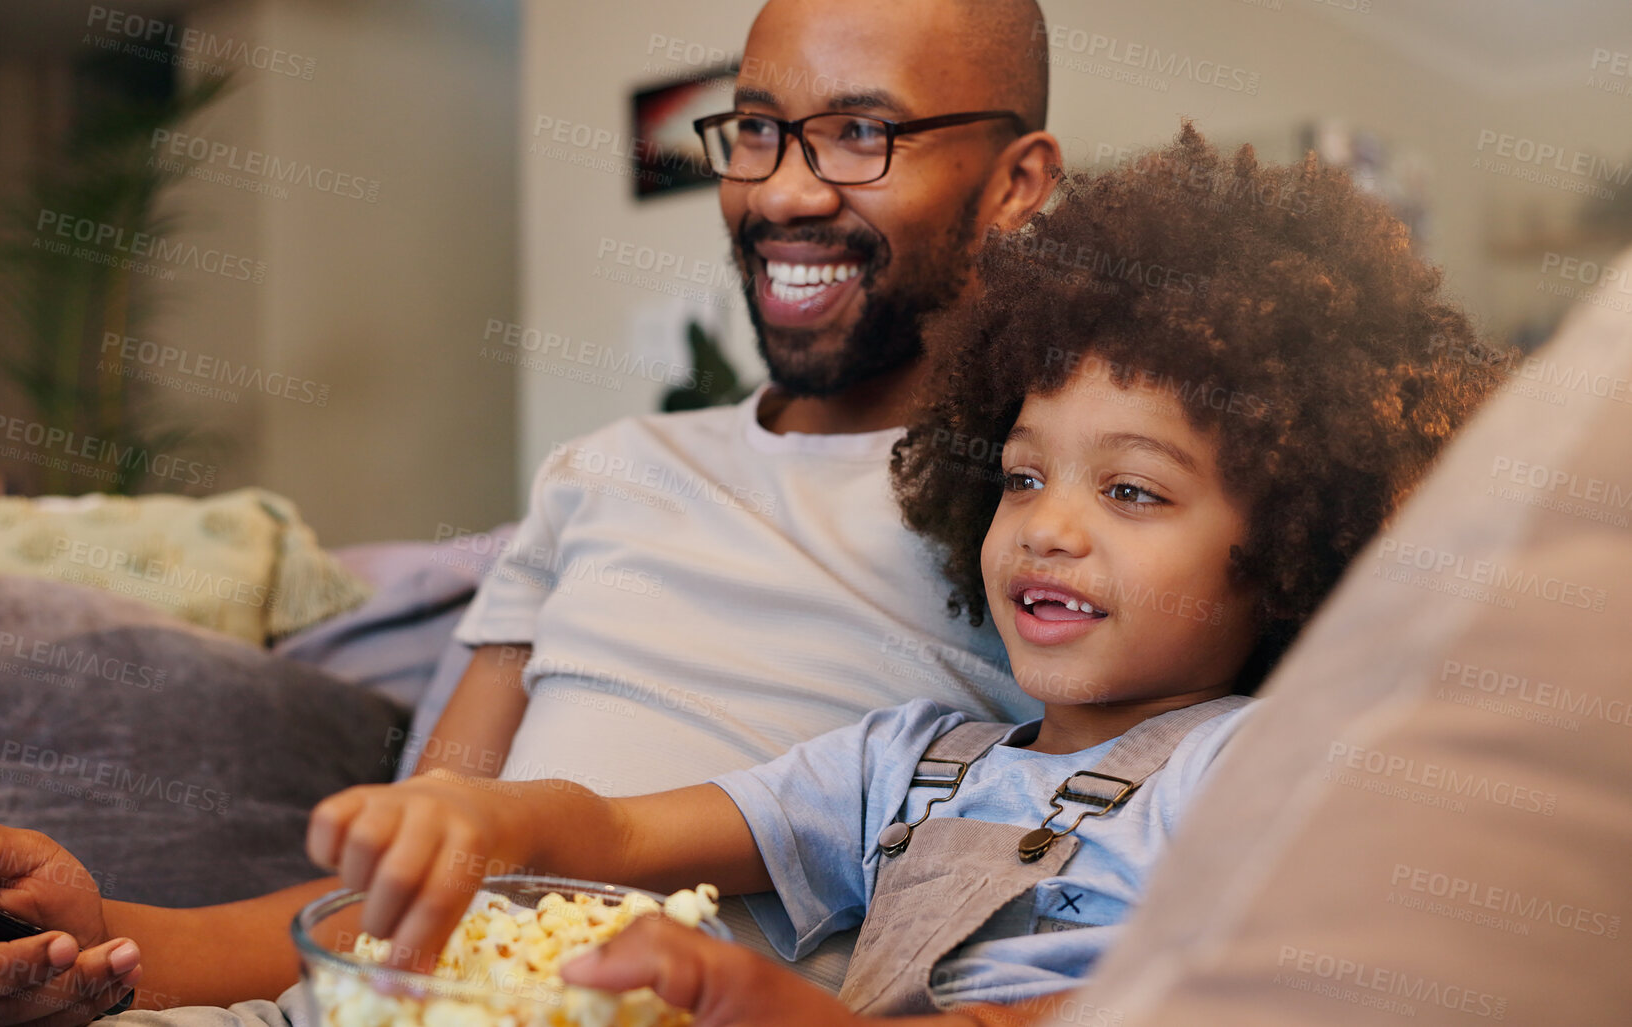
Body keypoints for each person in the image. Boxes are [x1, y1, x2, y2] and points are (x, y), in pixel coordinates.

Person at [0, 0, 1064, 1019]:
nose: (782, 193)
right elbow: (414, 892)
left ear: (1019, 182)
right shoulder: (604, 471)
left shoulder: (1060, 519)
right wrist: (90, 940)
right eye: (755, 131)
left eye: (861, 132)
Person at [309, 124, 1505, 1026]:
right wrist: (483, 812)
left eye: (1132, 491)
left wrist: (774, 1010)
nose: (1050, 528)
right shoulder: (905, 764)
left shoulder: (1249, 766)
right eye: (1025, 478)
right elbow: (620, 835)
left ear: (1298, 549)